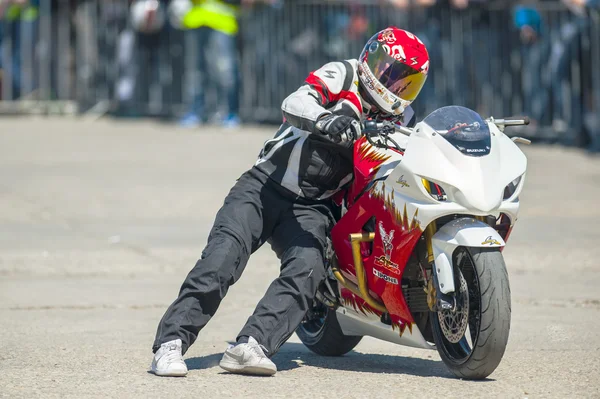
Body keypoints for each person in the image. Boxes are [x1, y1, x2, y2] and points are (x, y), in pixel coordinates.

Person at [150, 26, 430, 377]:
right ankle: (170, 343)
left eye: (407, 82)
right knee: (222, 258)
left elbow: (412, 153)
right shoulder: (344, 74)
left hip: (315, 207)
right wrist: (326, 119)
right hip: (264, 187)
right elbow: (295, 101)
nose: (395, 86)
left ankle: (251, 345)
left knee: (309, 268)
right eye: (390, 72)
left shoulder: (402, 118)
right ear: (370, 58)